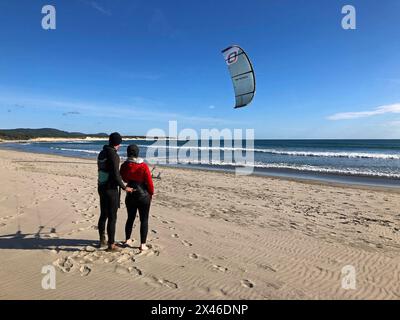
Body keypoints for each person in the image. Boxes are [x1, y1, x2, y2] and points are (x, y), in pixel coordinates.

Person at [97, 132, 133, 252]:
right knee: (112, 217)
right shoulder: (114, 155)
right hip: (111, 189)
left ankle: (102, 239)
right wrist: (124, 187)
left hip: (101, 187)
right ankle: (111, 244)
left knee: (103, 214)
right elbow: (116, 175)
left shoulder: (102, 153)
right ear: (118, 143)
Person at [120, 144, 154, 251]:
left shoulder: (124, 165)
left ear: (128, 152)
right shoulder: (143, 165)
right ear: (137, 153)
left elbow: (124, 179)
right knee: (144, 219)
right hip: (143, 195)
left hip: (130, 195)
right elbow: (149, 182)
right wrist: (151, 193)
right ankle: (142, 244)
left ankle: (127, 239)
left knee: (130, 218)